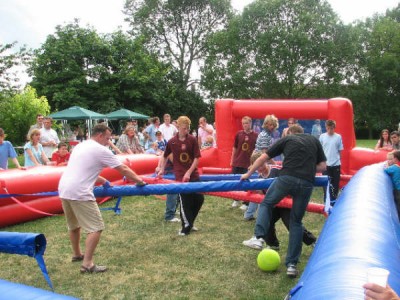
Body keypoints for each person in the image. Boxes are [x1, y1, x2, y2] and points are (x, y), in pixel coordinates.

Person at [58, 124, 146, 273]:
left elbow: (83, 170)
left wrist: (103, 180)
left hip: (64, 189)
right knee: (96, 228)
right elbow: (123, 169)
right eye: (107, 138)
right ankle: (87, 264)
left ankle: (77, 254)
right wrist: (140, 181)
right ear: (99, 135)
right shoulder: (100, 149)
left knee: (74, 226)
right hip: (80, 192)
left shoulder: (81, 146)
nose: (108, 141)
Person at [241, 124, 326, 278]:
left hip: (287, 178)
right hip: (306, 183)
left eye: (287, 132)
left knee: (267, 203)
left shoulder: (287, 139)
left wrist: (248, 174)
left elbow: (263, 157)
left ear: (291, 133)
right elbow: (322, 167)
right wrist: (306, 167)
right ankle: (292, 265)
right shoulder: (314, 140)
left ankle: (258, 238)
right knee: (296, 222)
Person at [244, 152, 317, 250]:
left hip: (285, 203)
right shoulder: (260, 177)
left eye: (261, 164)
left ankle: (312, 241)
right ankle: (273, 244)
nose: (260, 168)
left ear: (265, 162)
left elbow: (289, 180)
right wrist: (253, 188)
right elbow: (263, 192)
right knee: (267, 221)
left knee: (291, 224)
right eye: (257, 166)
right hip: (274, 205)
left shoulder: (276, 171)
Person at [157, 116, 204, 236]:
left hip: (193, 174)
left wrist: (189, 172)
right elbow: (165, 155)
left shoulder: (192, 139)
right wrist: (162, 169)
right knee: (185, 201)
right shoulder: (172, 141)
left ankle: (190, 222)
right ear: (178, 127)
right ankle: (185, 228)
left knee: (199, 199)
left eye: (188, 128)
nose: (186, 130)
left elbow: (197, 158)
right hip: (180, 176)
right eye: (184, 128)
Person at [230, 116, 258, 208]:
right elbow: (234, 148)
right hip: (237, 162)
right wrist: (232, 160)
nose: (245, 125)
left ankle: (246, 202)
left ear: (250, 123)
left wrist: (253, 164)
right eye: (243, 123)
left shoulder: (255, 136)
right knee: (235, 181)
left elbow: (256, 151)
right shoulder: (238, 134)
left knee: (247, 182)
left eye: (246, 123)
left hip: (248, 164)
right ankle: (236, 199)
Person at [319, 119, 344, 205]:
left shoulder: (338, 137)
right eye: (328, 128)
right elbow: (320, 150)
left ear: (334, 128)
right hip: (326, 165)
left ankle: (333, 202)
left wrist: (339, 161)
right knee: (326, 184)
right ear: (326, 127)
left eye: (332, 128)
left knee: (335, 184)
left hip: (336, 164)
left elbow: (340, 151)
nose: (330, 130)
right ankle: (327, 202)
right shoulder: (322, 137)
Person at [384, 150, 400, 217]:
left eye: (392, 158)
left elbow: (386, 170)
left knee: (398, 205)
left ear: (395, 159)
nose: (390, 160)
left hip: (397, 190)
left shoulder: (394, 167)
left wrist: (387, 165)